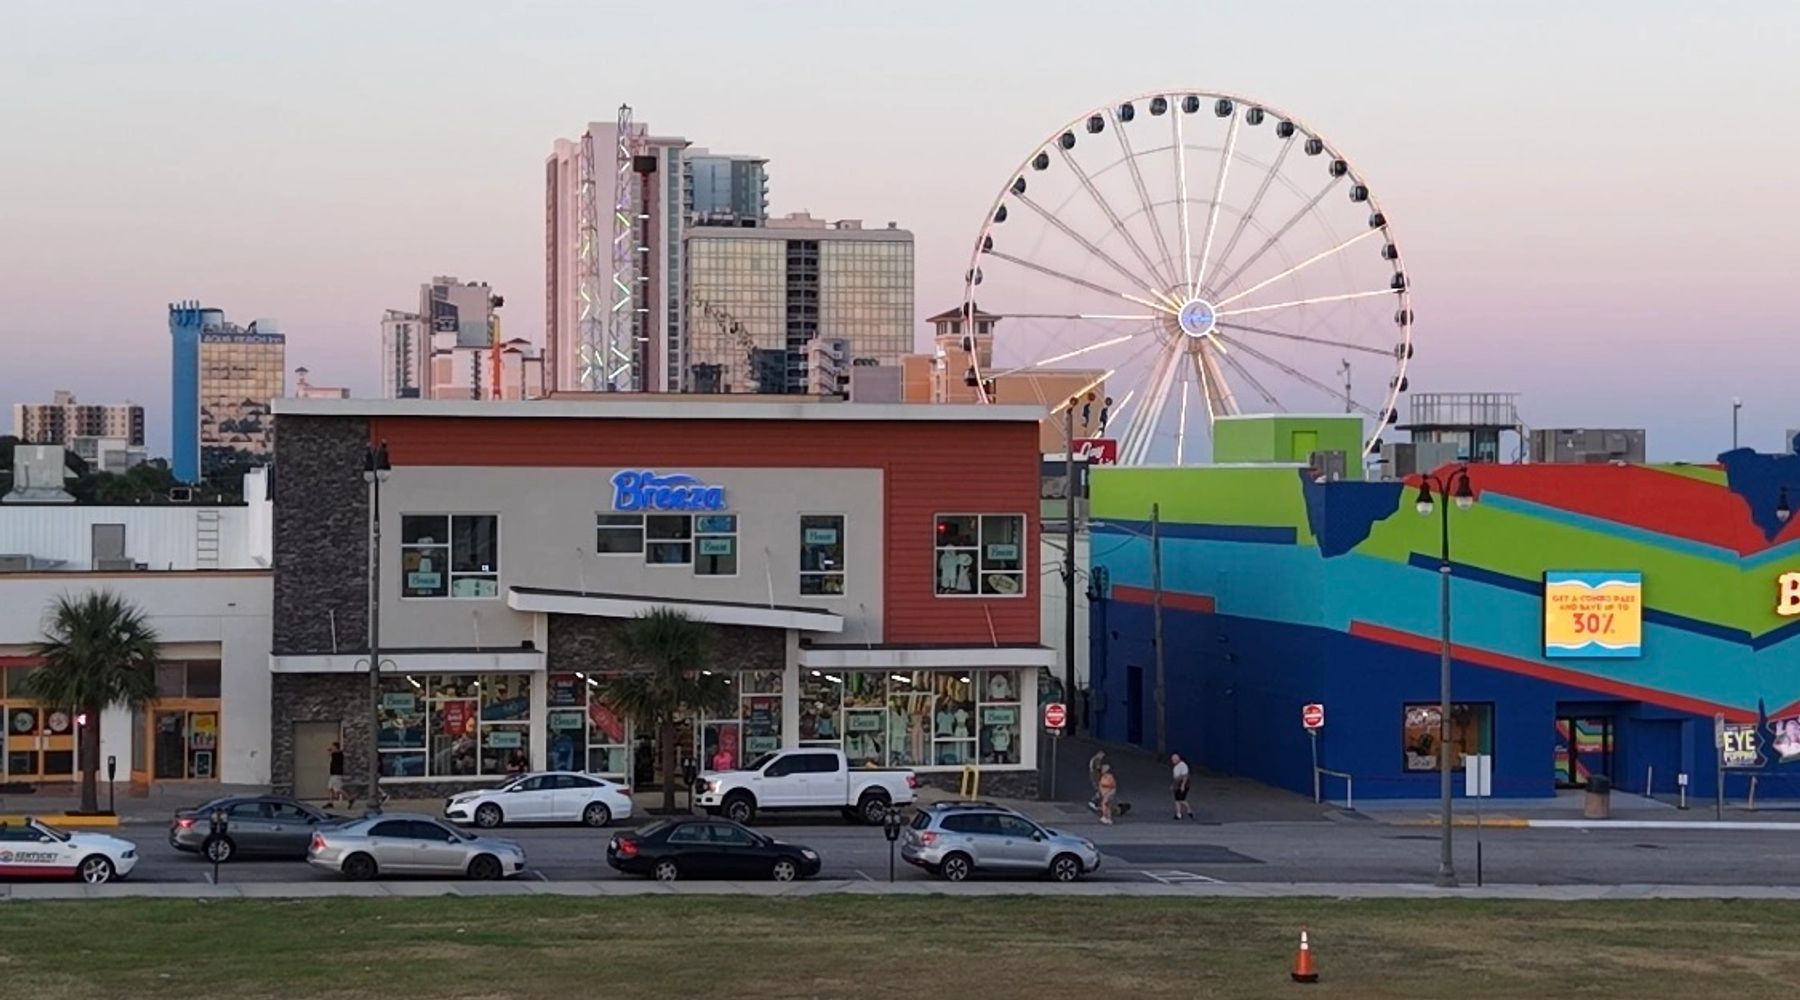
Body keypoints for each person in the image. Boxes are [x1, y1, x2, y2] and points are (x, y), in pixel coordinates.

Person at [1171, 752, 1193, 820]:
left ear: (1178, 759)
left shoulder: (1183, 765)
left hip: (1182, 785)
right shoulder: (1176, 766)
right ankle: (1178, 814)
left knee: (1181, 799)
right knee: (1177, 800)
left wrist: (1183, 785)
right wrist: (1173, 784)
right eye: (1172, 759)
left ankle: (1189, 809)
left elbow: (1185, 776)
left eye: (1174, 759)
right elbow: (1175, 777)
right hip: (1177, 785)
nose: (1173, 761)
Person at [327, 741, 347, 809]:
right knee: (330, 788)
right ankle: (330, 802)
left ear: (335, 747)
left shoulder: (337, 754)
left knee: (337, 789)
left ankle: (349, 798)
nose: (332, 748)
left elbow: (330, 753)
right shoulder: (338, 753)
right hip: (333, 774)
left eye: (333, 746)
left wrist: (330, 750)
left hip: (336, 774)